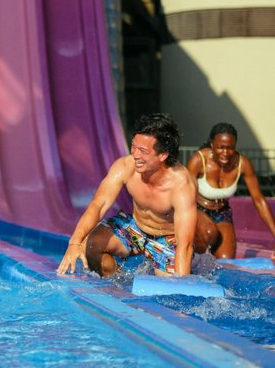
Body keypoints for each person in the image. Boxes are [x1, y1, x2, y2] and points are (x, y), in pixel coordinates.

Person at [57, 113, 197, 277]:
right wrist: (74, 243)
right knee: (91, 246)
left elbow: (185, 245)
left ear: (162, 155)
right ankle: (118, 285)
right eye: (133, 146)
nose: (135, 155)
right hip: (135, 227)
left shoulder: (182, 186)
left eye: (143, 151)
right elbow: (98, 204)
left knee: (170, 285)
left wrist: (181, 284)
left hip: (167, 238)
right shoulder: (125, 167)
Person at [186, 122, 275, 259]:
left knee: (227, 260)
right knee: (210, 233)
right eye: (220, 147)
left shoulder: (242, 163)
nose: (226, 153)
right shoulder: (199, 160)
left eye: (230, 148)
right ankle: (187, 252)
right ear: (212, 144)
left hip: (222, 213)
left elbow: (258, 200)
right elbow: (183, 194)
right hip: (198, 210)